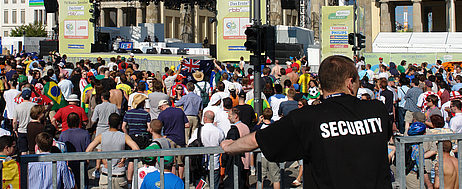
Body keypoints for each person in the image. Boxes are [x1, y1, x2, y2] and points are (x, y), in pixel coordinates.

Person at [221, 55, 392, 188]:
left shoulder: (307, 117)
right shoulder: (377, 110)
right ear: (350, 82)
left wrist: (230, 147)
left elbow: (256, 139)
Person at [86, 113, 139, 189]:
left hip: (106, 174)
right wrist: (124, 157)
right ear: (119, 124)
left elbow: (88, 150)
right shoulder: (124, 136)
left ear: (108, 123)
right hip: (120, 175)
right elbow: (136, 149)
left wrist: (102, 159)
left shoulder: (101, 136)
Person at [157, 99, 189, 178]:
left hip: (169, 138)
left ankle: (173, 179)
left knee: (172, 163)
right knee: (181, 162)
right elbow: (187, 124)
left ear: (162, 106)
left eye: (160, 108)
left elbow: (158, 126)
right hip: (180, 138)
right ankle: (180, 179)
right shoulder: (179, 111)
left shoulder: (162, 114)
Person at [59, 113, 91, 189]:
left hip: (68, 164)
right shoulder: (85, 133)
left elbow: (61, 149)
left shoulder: (63, 134)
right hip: (81, 163)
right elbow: (88, 148)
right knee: (83, 184)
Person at [201, 110, 224, 189]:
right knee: (214, 186)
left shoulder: (199, 131)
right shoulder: (219, 131)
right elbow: (223, 144)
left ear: (205, 118)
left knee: (200, 185)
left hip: (202, 162)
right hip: (215, 163)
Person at [13, 88, 36, 154]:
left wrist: (14, 129)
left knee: (23, 150)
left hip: (21, 130)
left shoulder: (18, 107)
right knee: (32, 149)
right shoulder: (34, 105)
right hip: (32, 130)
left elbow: (14, 121)